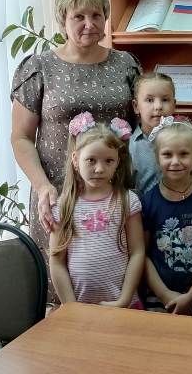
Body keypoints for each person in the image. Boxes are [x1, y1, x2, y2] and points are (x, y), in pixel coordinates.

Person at [11, 0, 140, 275]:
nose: (89, 24)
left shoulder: (126, 65)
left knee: (113, 273)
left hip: (114, 194)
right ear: (63, 20)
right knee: (61, 278)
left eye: (96, 15)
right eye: (78, 16)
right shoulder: (39, 67)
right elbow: (21, 138)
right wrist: (42, 186)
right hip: (58, 194)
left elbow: (146, 122)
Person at [49, 112, 144, 308]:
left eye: (108, 161)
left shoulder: (127, 201)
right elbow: (57, 262)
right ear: (75, 160)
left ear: (117, 162)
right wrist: (71, 307)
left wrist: (124, 300)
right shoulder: (64, 206)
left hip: (123, 307)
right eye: (91, 160)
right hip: (79, 311)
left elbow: (137, 253)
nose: (99, 169)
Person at [141, 117, 192, 315]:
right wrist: (164, 294)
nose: (175, 161)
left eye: (183, 154)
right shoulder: (148, 201)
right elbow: (142, 253)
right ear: (157, 157)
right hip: (158, 298)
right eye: (167, 154)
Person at [128, 72, 177, 199]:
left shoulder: (184, 140)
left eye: (165, 100)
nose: (158, 106)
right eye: (149, 100)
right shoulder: (129, 147)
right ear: (136, 106)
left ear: (174, 105)